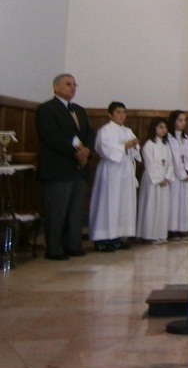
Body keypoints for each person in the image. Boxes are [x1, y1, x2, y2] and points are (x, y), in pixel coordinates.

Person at [35, 73, 93, 260]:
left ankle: (72, 245)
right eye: (68, 84)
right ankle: (54, 249)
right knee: (56, 211)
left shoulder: (79, 110)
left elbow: (88, 134)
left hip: (79, 169)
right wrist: (76, 152)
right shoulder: (47, 109)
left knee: (75, 210)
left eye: (75, 84)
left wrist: (87, 150)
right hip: (58, 168)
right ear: (56, 87)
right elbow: (51, 137)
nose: (72, 87)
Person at [88, 101, 140, 253]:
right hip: (110, 170)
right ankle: (102, 239)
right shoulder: (105, 131)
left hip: (125, 170)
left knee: (122, 203)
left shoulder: (128, 131)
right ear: (110, 114)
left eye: (124, 112)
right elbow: (104, 150)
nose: (122, 115)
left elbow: (135, 150)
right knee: (107, 202)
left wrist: (134, 145)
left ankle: (117, 237)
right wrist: (124, 146)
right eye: (118, 112)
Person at [137, 118, 173, 244]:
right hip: (152, 180)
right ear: (154, 128)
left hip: (164, 180)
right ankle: (149, 235)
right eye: (161, 127)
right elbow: (149, 164)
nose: (164, 130)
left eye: (165, 127)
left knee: (163, 207)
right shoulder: (149, 145)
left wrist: (167, 177)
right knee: (151, 206)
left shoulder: (166, 145)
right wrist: (158, 179)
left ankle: (160, 234)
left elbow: (170, 163)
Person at [166, 110, 188, 240]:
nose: (183, 123)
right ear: (173, 121)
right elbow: (174, 157)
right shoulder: (169, 138)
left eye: (185, 120)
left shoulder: (185, 138)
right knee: (174, 202)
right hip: (174, 175)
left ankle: (182, 228)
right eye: (180, 120)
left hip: (185, 176)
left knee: (185, 202)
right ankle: (172, 230)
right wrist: (182, 174)